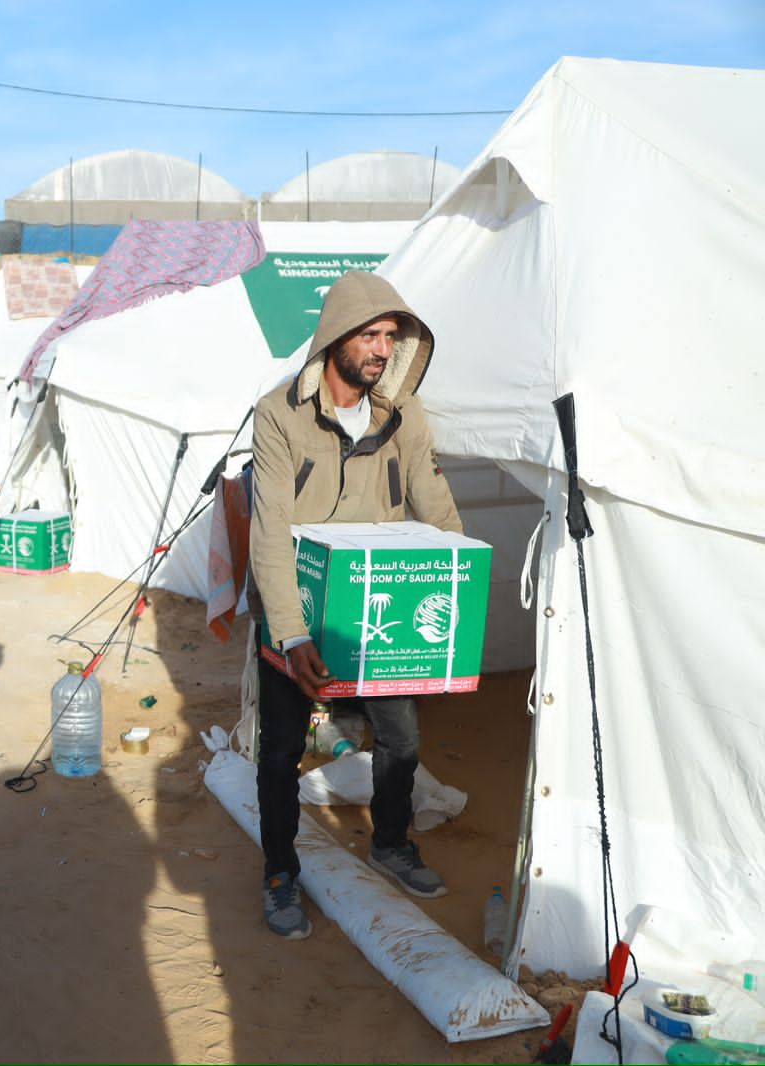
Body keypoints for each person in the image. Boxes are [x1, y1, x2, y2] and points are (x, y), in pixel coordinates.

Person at [246, 270, 463, 940]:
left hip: (381, 602)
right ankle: (280, 870)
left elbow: (434, 504)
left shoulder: (406, 416)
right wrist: (289, 633)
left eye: (391, 337)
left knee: (399, 739)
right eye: (369, 335)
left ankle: (390, 842)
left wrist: (462, 594)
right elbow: (269, 531)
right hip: (298, 603)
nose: (380, 349)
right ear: (335, 338)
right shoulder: (279, 414)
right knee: (282, 750)